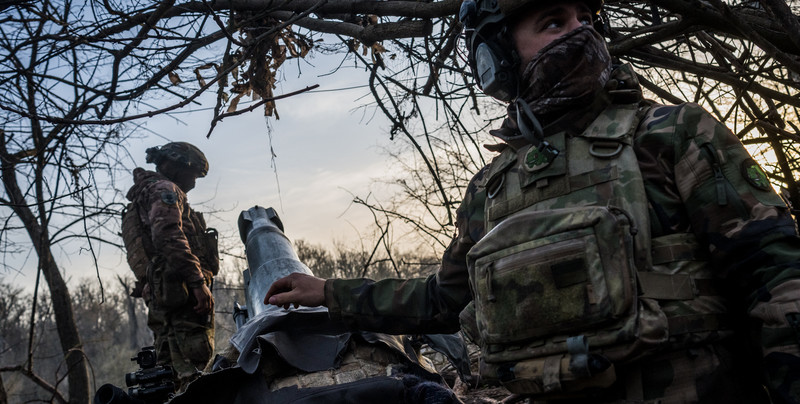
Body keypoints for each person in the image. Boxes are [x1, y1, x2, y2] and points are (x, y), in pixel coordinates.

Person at [264, 0, 800, 402]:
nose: (580, 32)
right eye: (552, 22)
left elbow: (775, 277)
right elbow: (442, 301)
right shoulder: (490, 188)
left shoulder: (672, 133)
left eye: (584, 18)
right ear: (497, 57)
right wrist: (330, 292)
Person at [123, 142, 219, 388]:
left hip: (165, 294)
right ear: (177, 167)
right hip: (182, 292)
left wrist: (147, 284)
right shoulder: (165, 189)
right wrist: (197, 282)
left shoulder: (142, 197)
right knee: (192, 370)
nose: (195, 183)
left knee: (168, 374)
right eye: (194, 174)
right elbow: (168, 236)